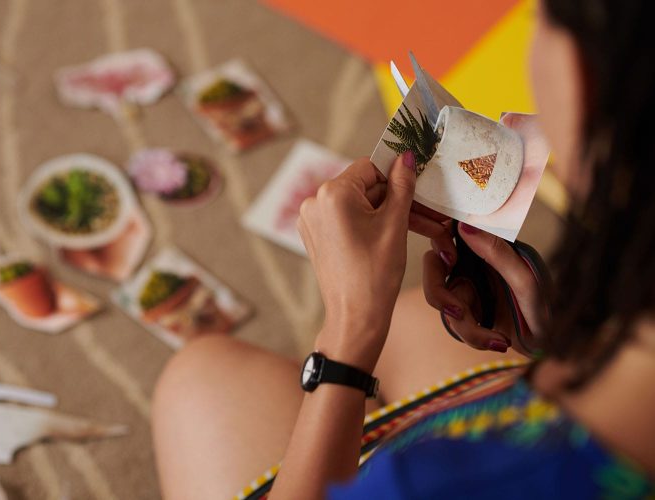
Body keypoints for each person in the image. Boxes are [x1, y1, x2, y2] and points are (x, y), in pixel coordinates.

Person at [151, 0, 655, 497]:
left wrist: (350, 335)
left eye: (538, 19)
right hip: (545, 405)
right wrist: (550, 337)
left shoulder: (423, 484)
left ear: (584, 78)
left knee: (200, 377)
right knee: (414, 320)